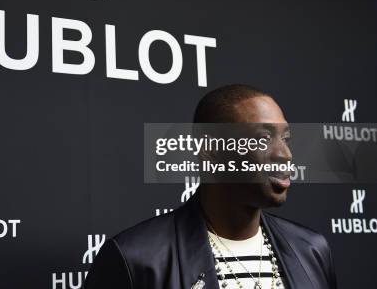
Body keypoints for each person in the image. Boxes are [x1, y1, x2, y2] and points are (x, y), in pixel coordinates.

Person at [84, 84, 336, 289]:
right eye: (263, 138)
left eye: (286, 138)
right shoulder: (134, 260)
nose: (285, 154)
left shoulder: (311, 249)